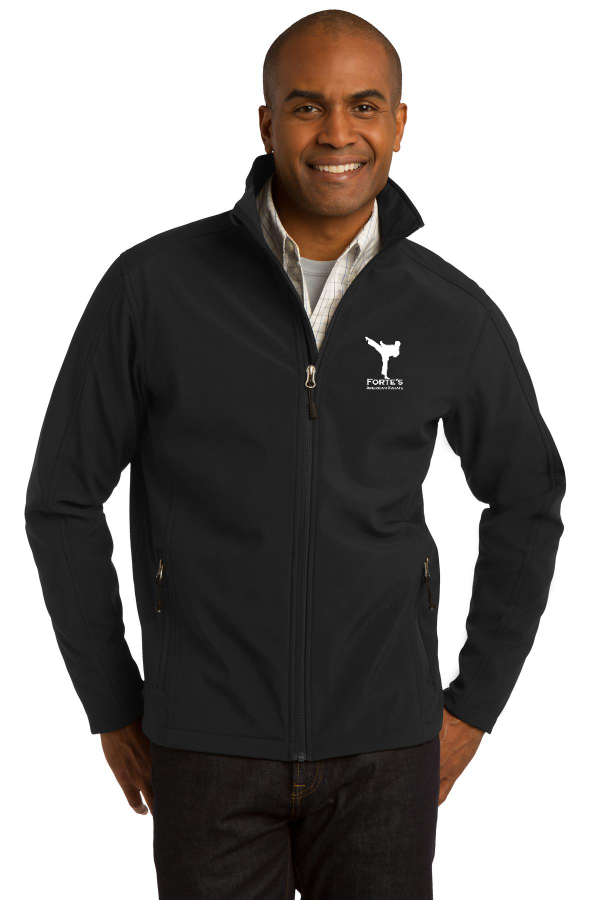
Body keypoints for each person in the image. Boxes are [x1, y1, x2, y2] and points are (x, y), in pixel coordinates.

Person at [24, 9, 566, 899]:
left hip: (386, 751)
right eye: (308, 106)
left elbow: (528, 501)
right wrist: (112, 701)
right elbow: (61, 501)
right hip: (206, 746)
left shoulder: (450, 313)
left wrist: (474, 706)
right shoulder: (153, 289)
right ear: (267, 122)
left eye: (365, 105)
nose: (338, 133)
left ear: (400, 122)